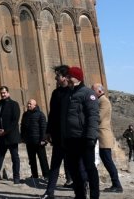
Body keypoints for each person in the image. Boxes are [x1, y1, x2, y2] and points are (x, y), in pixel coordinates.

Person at [62, 66, 99, 199]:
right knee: (73, 168)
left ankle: (94, 196)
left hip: (84, 138)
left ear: (76, 78)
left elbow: (93, 116)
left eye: (69, 76)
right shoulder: (68, 94)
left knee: (90, 168)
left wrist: (91, 137)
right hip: (71, 138)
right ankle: (80, 195)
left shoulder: (88, 93)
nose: (66, 78)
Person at [41, 64, 74, 199]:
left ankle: (81, 191)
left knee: (77, 165)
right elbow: (52, 114)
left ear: (65, 77)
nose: (55, 78)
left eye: (58, 76)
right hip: (59, 136)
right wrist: (48, 132)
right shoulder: (56, 93)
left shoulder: (74, 92)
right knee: (54, 165)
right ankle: (49, 192)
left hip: (72, 136)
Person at [92, 83, 123, 193]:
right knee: (106, 160)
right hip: (101, 134)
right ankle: (116, 184)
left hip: (103, 134)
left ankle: (117, 185)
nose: (92, 92)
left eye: (93, 90)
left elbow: (99, 117)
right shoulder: (100, 100)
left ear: (99, 91)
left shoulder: (104, 101)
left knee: (108, 160)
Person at [21, 98, 49, 184]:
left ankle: (47, 176)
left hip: (39, 141)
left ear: (35, 105)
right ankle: (34, 175)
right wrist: (23, 137)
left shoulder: (40, 114)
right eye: (28, 104)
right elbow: (22, 126)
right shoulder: (25, 114)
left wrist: (43, 139)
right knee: (31, 160)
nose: (28, 105)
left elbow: (44, 127)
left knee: (42, 159)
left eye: (30, 104)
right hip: (29, 141)